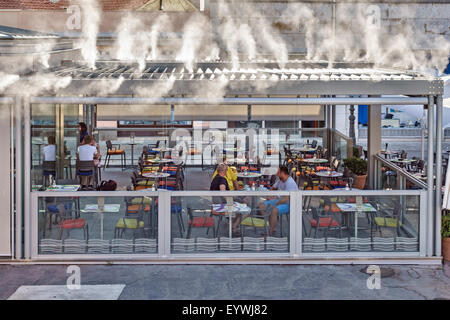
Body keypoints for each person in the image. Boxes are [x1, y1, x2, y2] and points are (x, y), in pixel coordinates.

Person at [258, 165, 298, 236]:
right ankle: (270, 225)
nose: (276, 173)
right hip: (280, 200)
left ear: (282, 172)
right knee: (261, 205)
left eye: (278, 172)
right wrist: (270, 195)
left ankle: (270, 232)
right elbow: (273, 188)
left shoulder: (290, 183)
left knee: (274, 210)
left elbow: (286, 199)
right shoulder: (280, 180)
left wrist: (275, 204)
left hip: (291, 204)